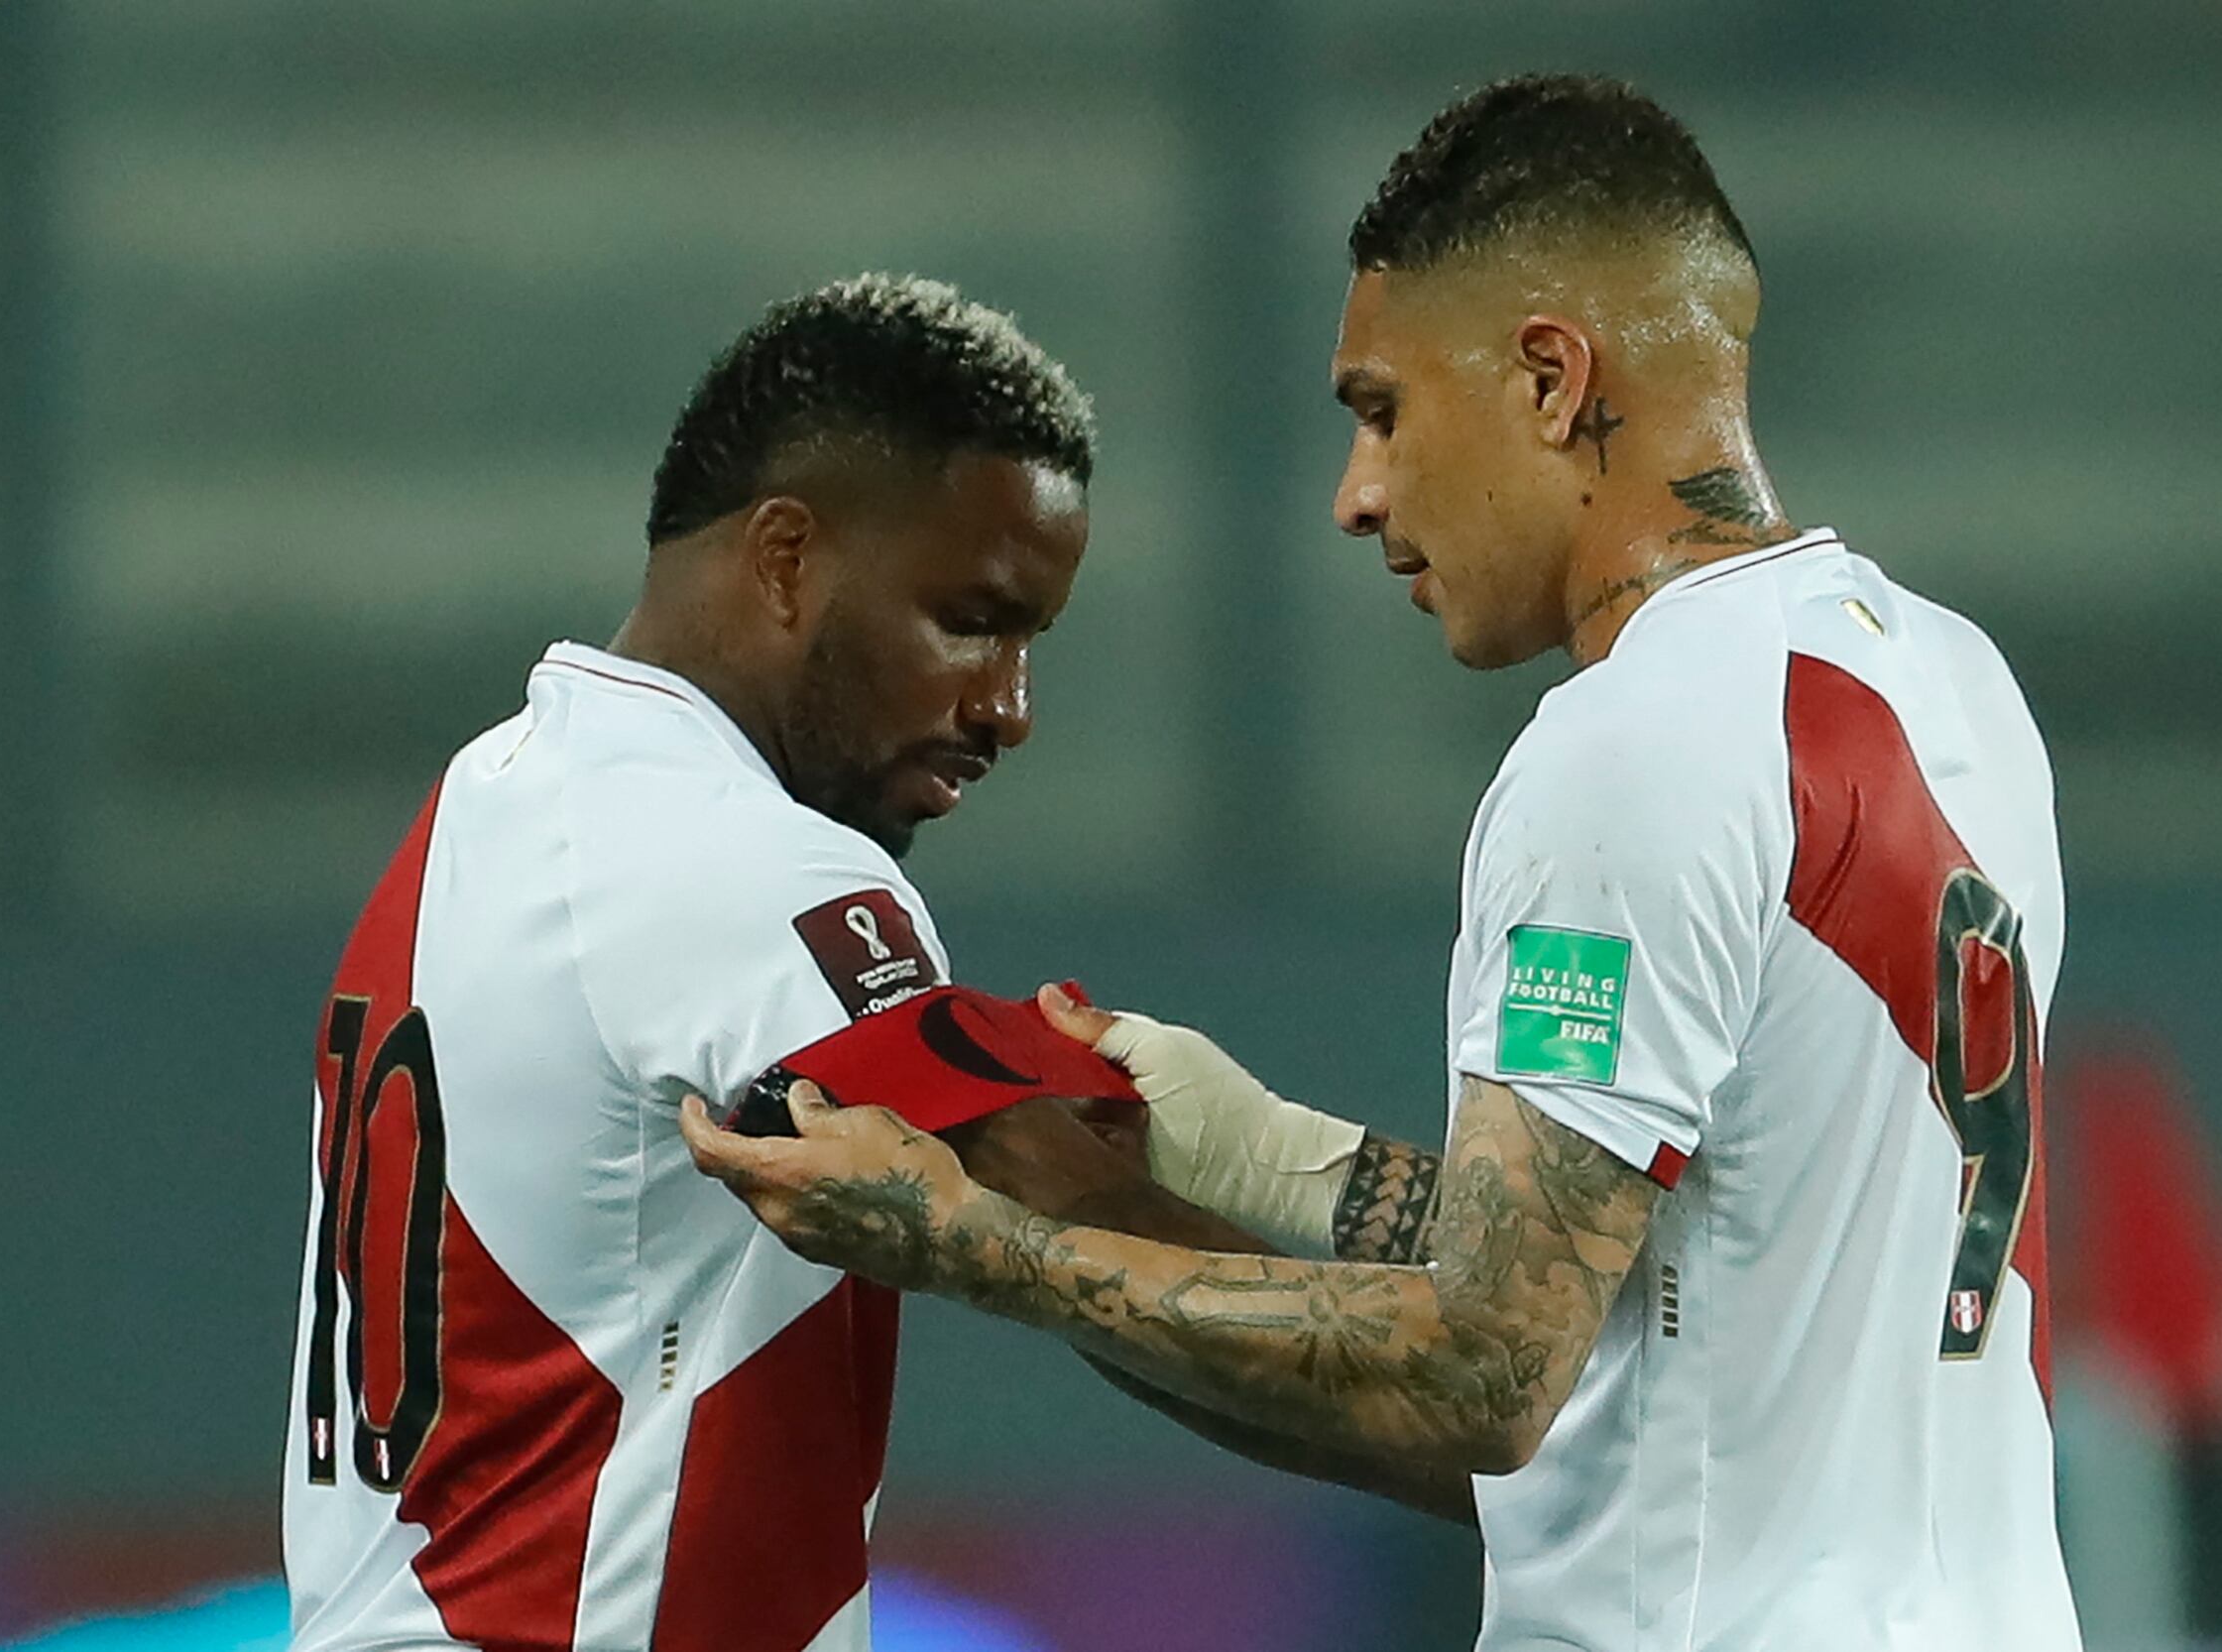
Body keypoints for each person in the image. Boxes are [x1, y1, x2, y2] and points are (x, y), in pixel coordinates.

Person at [680, 76, 2083, 1650]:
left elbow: (1482, 1375)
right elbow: (1665, 1292)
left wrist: (970, 1246)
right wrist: (1257, 1148)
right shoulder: (1950, 685)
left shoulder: (1639, 745)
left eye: (1383, 409)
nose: (1358, 495)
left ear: (1553, 377)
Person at [281, 274, 1203, 1652]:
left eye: (1028, 641)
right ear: (784, 559)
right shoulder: (754, 859)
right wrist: (1503, 1411)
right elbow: (1112, 1260)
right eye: (970, 617)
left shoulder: (485, 799)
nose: (1007, 705)